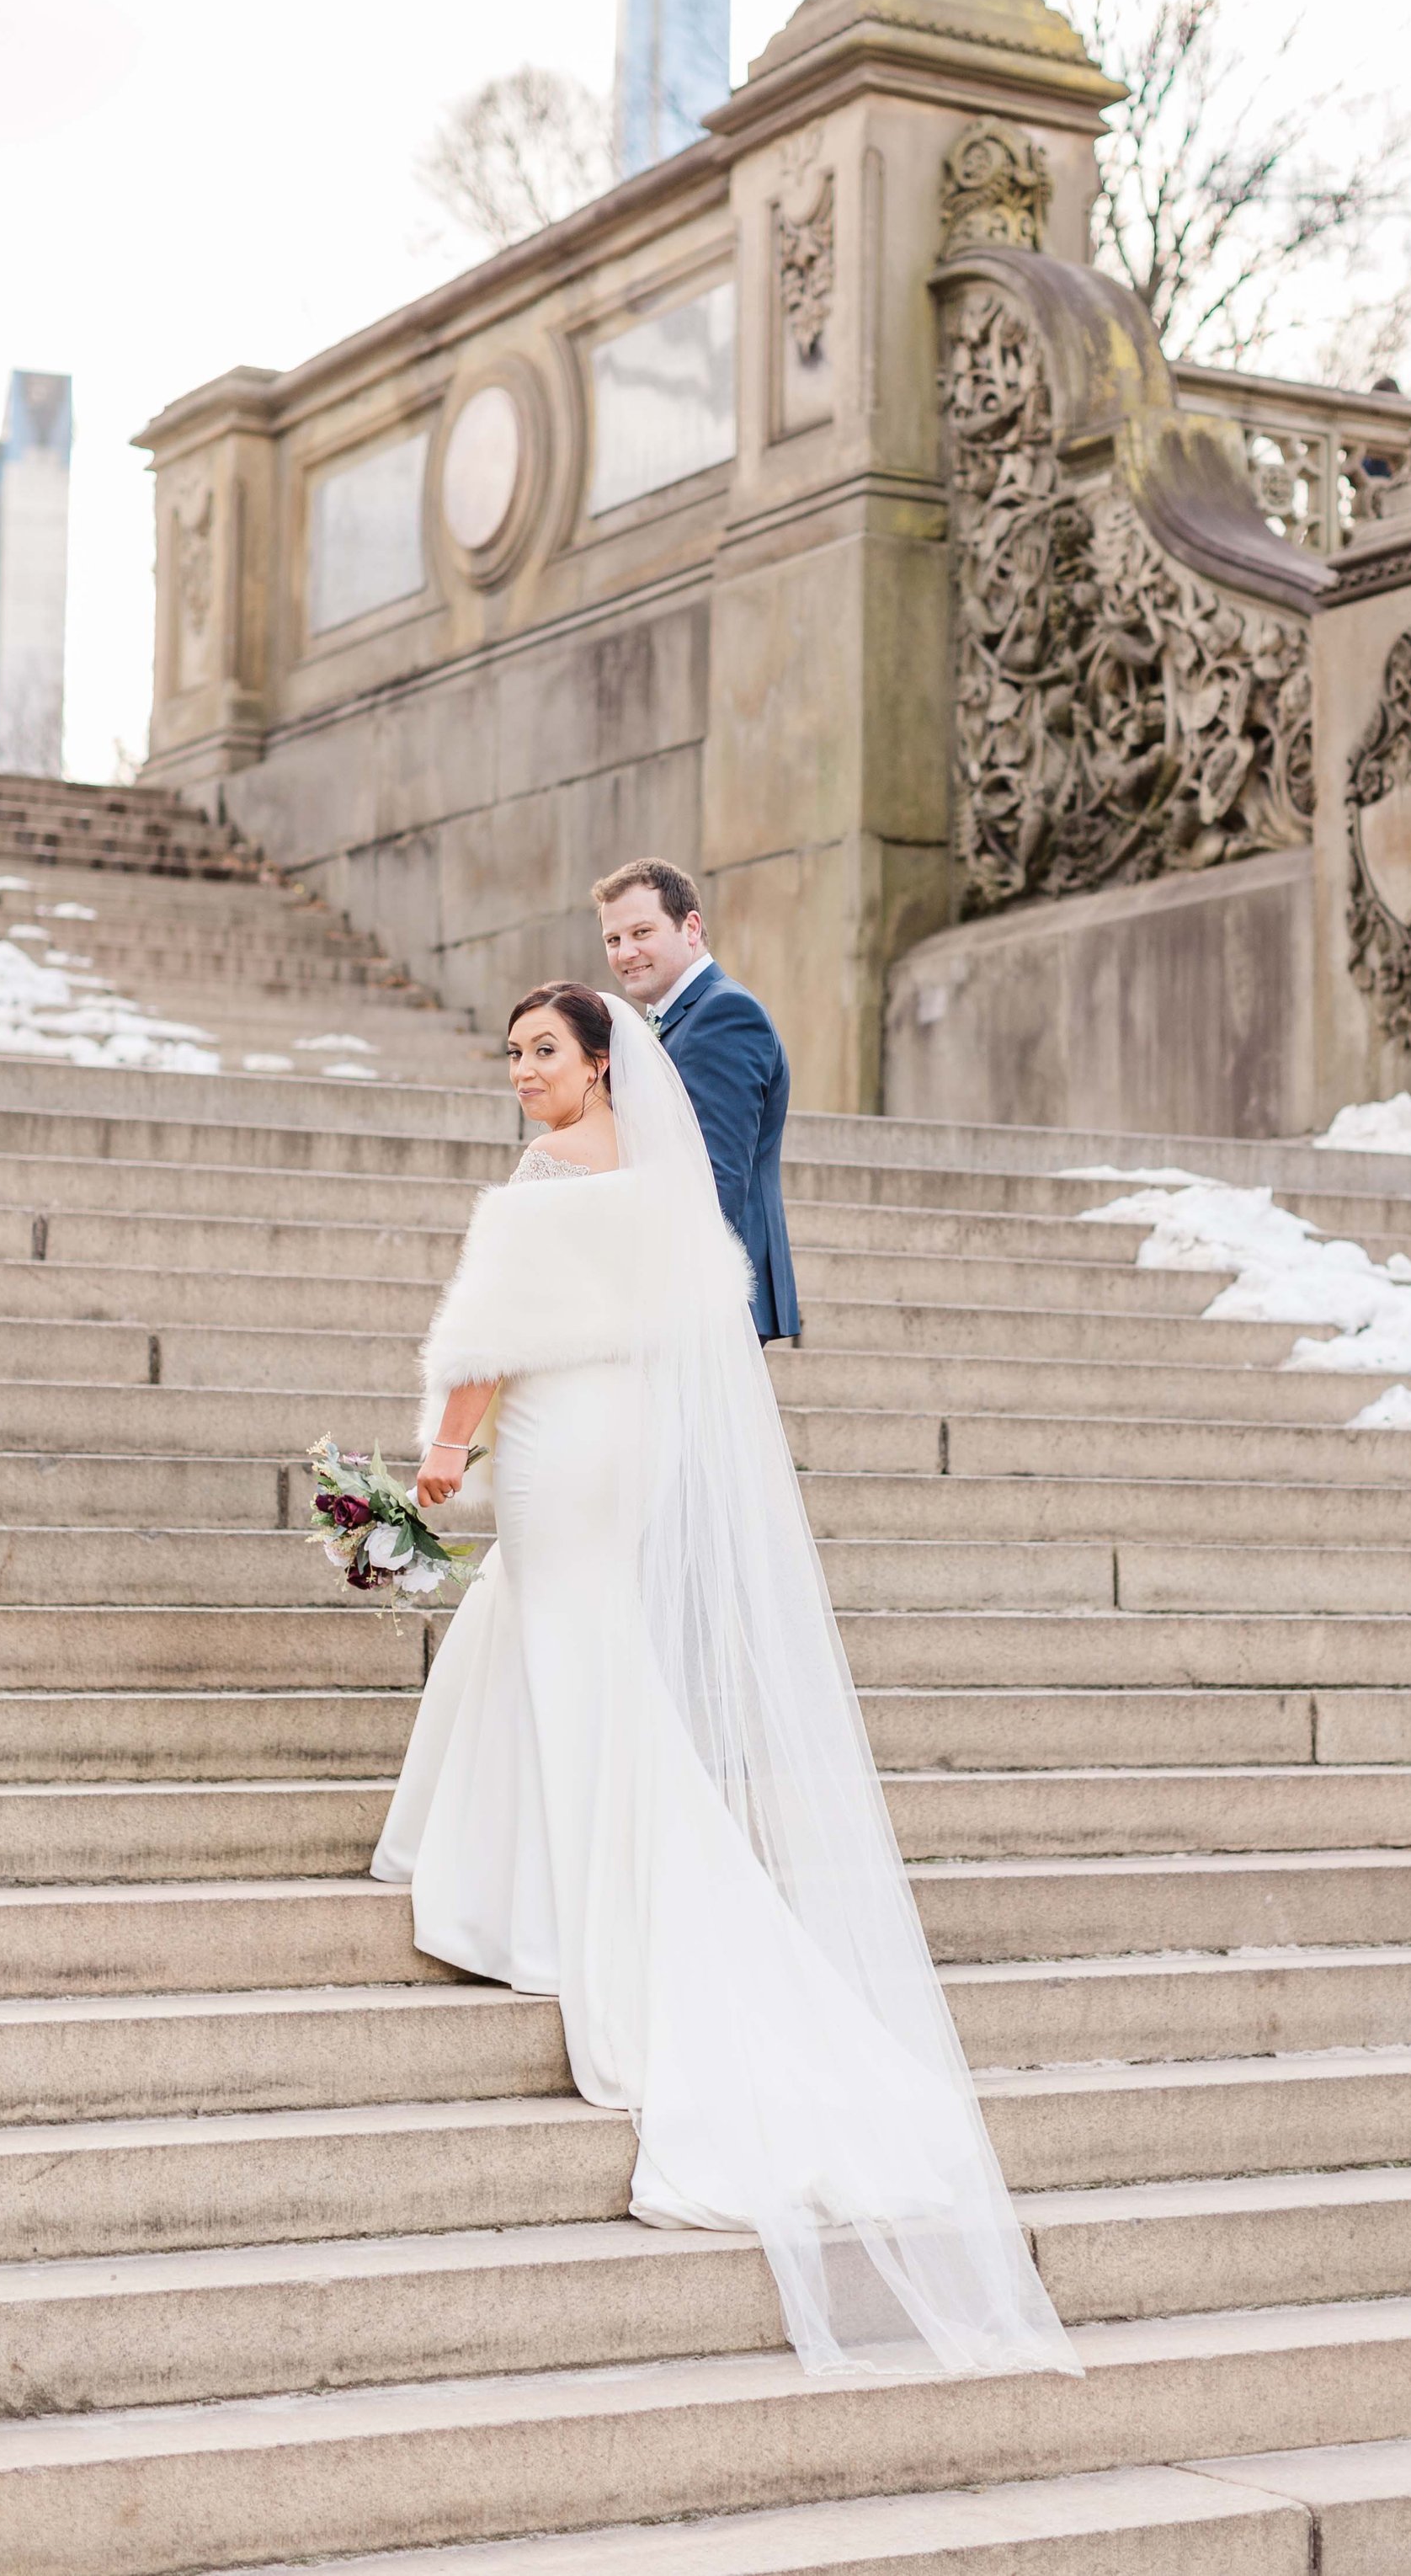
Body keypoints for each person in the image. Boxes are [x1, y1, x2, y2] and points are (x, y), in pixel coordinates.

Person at [372, 980, 1072, 2384]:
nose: (522, 1073)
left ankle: (567, 1902)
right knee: (571, 1645)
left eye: (543, 1052)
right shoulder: (662, 1186)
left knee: (569, 1645)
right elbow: (693, 1341)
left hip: (563, 1444)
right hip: (627, 1438)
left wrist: (436, 1469)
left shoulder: (540, 1190)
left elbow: (487, 1357)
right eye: (511, 1053)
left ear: (597, 1067)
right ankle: (523, 1869)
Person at [593, 857, 798, 1343]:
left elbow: (717, 1174)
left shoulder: (724, 1013)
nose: (625, 953)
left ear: (691, 927)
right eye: (613, 940)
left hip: (710, 1288)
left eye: (641, 932)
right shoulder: (670, 1018)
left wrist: (664, 1287)